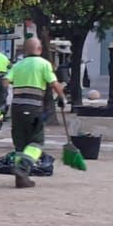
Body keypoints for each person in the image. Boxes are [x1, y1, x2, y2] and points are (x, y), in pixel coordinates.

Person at [6, 37, 67, 189]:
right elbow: (54, 84)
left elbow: (5, 81)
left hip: (16, 108)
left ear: (26, 51)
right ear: (39, 50)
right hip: (33, 108)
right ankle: (23, 167)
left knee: (20, 144)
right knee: (36, 142)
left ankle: (21, 179)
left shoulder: (18, 65)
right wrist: (62, 98)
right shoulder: (44, 64)